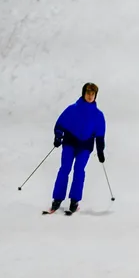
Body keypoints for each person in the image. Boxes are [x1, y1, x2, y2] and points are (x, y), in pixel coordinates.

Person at [49, 82, 106, 215]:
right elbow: (60, 124)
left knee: (79, 170)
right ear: (83, 93)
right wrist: (58, 137)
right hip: (70, 142)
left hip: (85, 145)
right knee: (65, 169)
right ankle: (57, 199)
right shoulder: (72, 109)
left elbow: (100, 135)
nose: (90, 96)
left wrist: (100, 151)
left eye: (93, 94)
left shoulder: (98, 115)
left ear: (95, 95)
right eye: (88, 93)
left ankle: (74, 200)